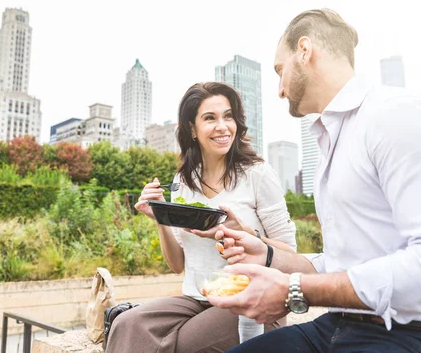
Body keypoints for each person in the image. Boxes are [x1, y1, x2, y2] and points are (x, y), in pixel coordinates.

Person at [208, 8, 421, 353]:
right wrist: (266, 254)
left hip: (419, 336)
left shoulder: (396, 116)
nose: (279, 89)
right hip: (341, 324)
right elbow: (343, 264)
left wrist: (295, 289)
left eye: (280, 70)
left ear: (305, 51)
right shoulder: (334, 138)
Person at [105, 82, 297, 353]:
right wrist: (161, 216)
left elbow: (291, 253)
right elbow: (177, 264)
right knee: (125, 324)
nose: (223, 126)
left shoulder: (257, 173)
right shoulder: (184, 181)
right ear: (192, 129)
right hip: (198, 299)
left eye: (228, 116)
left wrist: (245, 233)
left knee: (187, 344)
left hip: (254, 301)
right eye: (210, 118)